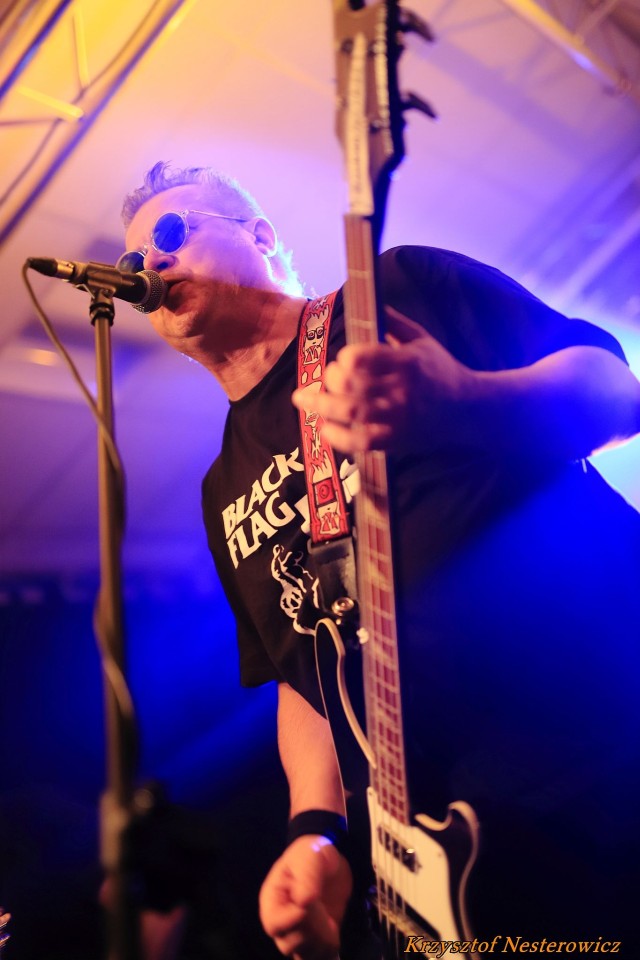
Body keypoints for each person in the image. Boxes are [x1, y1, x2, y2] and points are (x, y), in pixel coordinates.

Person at [119, 162, 640, 959]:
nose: (149, 263)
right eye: (133, 259)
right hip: (456, 858)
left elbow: (616, 394)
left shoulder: (394, 293)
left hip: (602, 742)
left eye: (170, 233)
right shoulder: (221, 490)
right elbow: (302, 677)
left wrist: (461, 399)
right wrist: (315, 832)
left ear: (260, 236)